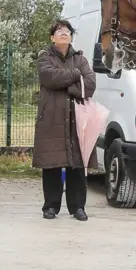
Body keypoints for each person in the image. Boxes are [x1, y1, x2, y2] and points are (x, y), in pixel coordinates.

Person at [32, 20, 97, 221]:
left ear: (71, 37)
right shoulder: (45, 57)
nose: (63, 33)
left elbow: (90, 84)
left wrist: (66, 83)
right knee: (51, 164)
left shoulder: (80, 59)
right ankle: (51, 207)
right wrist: (75, 75)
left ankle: (78, 207)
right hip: (51, 118)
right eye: (59, 30)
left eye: (67, 31)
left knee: (77, 164)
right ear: (52, 37)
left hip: (77, 119)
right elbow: (49, 78)